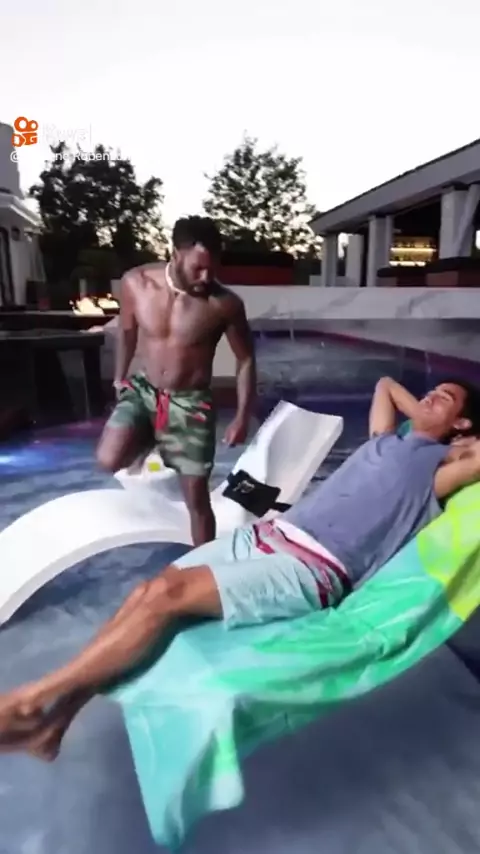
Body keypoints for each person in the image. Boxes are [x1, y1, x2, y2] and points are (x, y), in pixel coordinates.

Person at [2, 376, 480, 759]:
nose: (429, 396)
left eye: (446, 399)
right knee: (147, 591)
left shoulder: (441, 468)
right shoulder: (385, 440)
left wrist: (456, 437)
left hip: (310, 566)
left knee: (165, 600)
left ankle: (33, 697)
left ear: (462, 426)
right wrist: (426, 413)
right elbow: (384, 385)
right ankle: (55, 725)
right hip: (266, 536)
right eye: (430, 391)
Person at [97, 215, 256, 546]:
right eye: (198, 268)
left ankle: (205, 563)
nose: (206, 277)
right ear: (175, 254)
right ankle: (153, 439)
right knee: (108, 459)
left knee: (197, 500)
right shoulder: (136, 283)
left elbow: (245, 359)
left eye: (213, 269)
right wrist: (119, 376)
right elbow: (127, 331)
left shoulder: (224, 304)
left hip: (190, 403)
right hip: (144, 390)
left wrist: (242, 417)